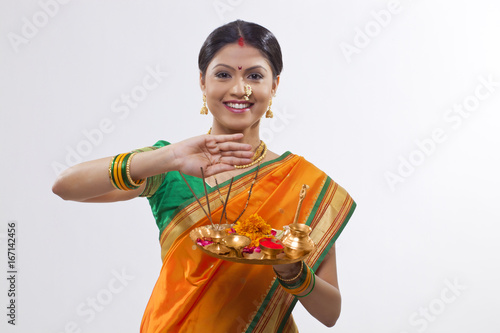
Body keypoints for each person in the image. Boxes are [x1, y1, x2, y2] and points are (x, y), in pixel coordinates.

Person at [53, 20, 356, 333]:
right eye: (224, 74)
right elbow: (65, 186)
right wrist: (166, 157)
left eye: (254, 75)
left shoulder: (305, 184)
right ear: (202, 82)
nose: (239, 89)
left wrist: (293, 271)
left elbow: (330, 313)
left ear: (274, 85)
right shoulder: (170, 165)